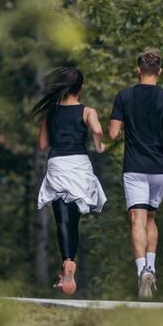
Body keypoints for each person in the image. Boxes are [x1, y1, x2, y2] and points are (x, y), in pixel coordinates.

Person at [108, 49, 163, 301]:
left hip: (135, 168)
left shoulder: (124, 96)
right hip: (160, 168)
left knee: (137, 220)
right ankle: (152, 268)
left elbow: (113, 133)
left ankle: (142, 272)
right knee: (151, 217)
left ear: (138, 70)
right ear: (159, 71)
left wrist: (117, 127)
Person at [33, 67, 106, 294]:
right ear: (81, 88)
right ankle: (67, 267)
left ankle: (66, 262)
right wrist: (99, 145)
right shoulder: (88, 111)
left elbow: (43, 146)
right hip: (80, 167)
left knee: (62, 221)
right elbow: (97, 129)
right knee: (74, 221)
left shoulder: (50, 112)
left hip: (59, 166)